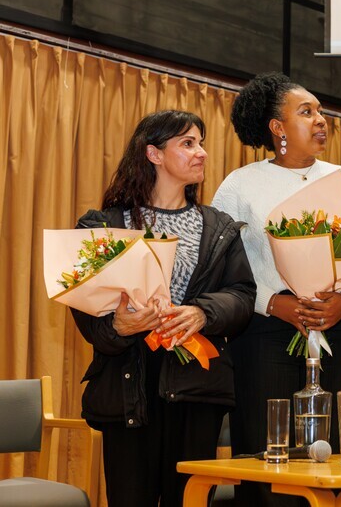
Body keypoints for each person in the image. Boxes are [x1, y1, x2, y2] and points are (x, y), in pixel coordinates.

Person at [70, 110, 257, 507]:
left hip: (197, 387)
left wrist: (202, 313)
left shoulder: (220, 227)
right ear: (153, 154)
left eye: (201, 143)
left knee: (188, 500)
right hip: (129, 384)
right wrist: (119, 326)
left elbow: (242, 295)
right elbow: (86, 309)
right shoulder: (104, 224)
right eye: (187, 143)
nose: (201, 153)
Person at [212, 72, 341, 506]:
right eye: (307, 112)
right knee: (269, 458)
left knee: (334, 456)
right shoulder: (240, 184)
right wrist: (272, 302)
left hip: (336, 328)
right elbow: (222, 264)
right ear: (277, 127)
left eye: (320, 111)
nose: (321, 120)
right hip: (265, 334)